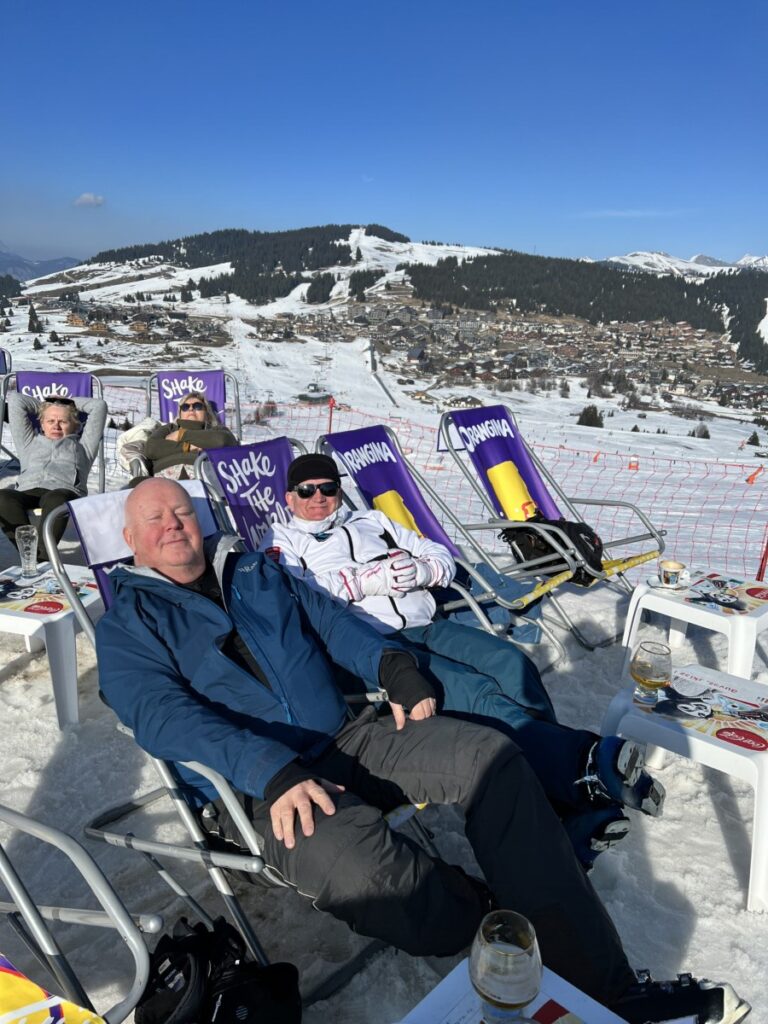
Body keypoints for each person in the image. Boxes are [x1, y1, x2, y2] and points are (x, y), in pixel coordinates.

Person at [95, 479, 747, 1024]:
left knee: (489, 755)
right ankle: (492, 920)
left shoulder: (255, 571)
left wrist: (391, 664)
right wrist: (268, 770)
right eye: (155, 518)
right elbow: (158, 713)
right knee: (372, 878)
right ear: (131, 541)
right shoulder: (129, 622)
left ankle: (604, 988)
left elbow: (337, 623)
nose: (175, 525)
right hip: (264, 791)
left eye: (182, 510)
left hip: (350, 738)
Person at [258, 454, 664, 867]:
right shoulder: (282, 542)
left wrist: (420, 571)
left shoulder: (372, 521)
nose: (318, 498)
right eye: (306, 490)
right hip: (372, 648)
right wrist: (364, 581)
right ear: (290, 498)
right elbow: (285, 596)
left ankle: (559, 805)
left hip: (425, 624)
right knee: (478, 693)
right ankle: (584, 768)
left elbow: (438, 554)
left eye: (327, 488)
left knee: (512, 665)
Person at [0, 392, 107, 560]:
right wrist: (48, 406)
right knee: (2, 497)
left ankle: (41, 559)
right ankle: (29, 554)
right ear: (42, 423)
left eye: (63, 421)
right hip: (28, 490)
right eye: (50, 421)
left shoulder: (83, 447)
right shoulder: (28, 442)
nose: (56, 426)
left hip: (63, 491)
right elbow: (15, 399)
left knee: (56, 498)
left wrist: (66, 403)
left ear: (75, 425)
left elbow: (98, 406)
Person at [139, 391, 237, 481]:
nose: (191, 409)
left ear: (207, 413)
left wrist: (181, 435)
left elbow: (222, 441)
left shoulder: (216, 430)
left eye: (197, 406)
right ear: (180, 413)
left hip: (205, 475)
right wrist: (188, 447)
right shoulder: (169, 429)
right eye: (185, 407)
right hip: (165, 479)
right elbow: (151, 448)